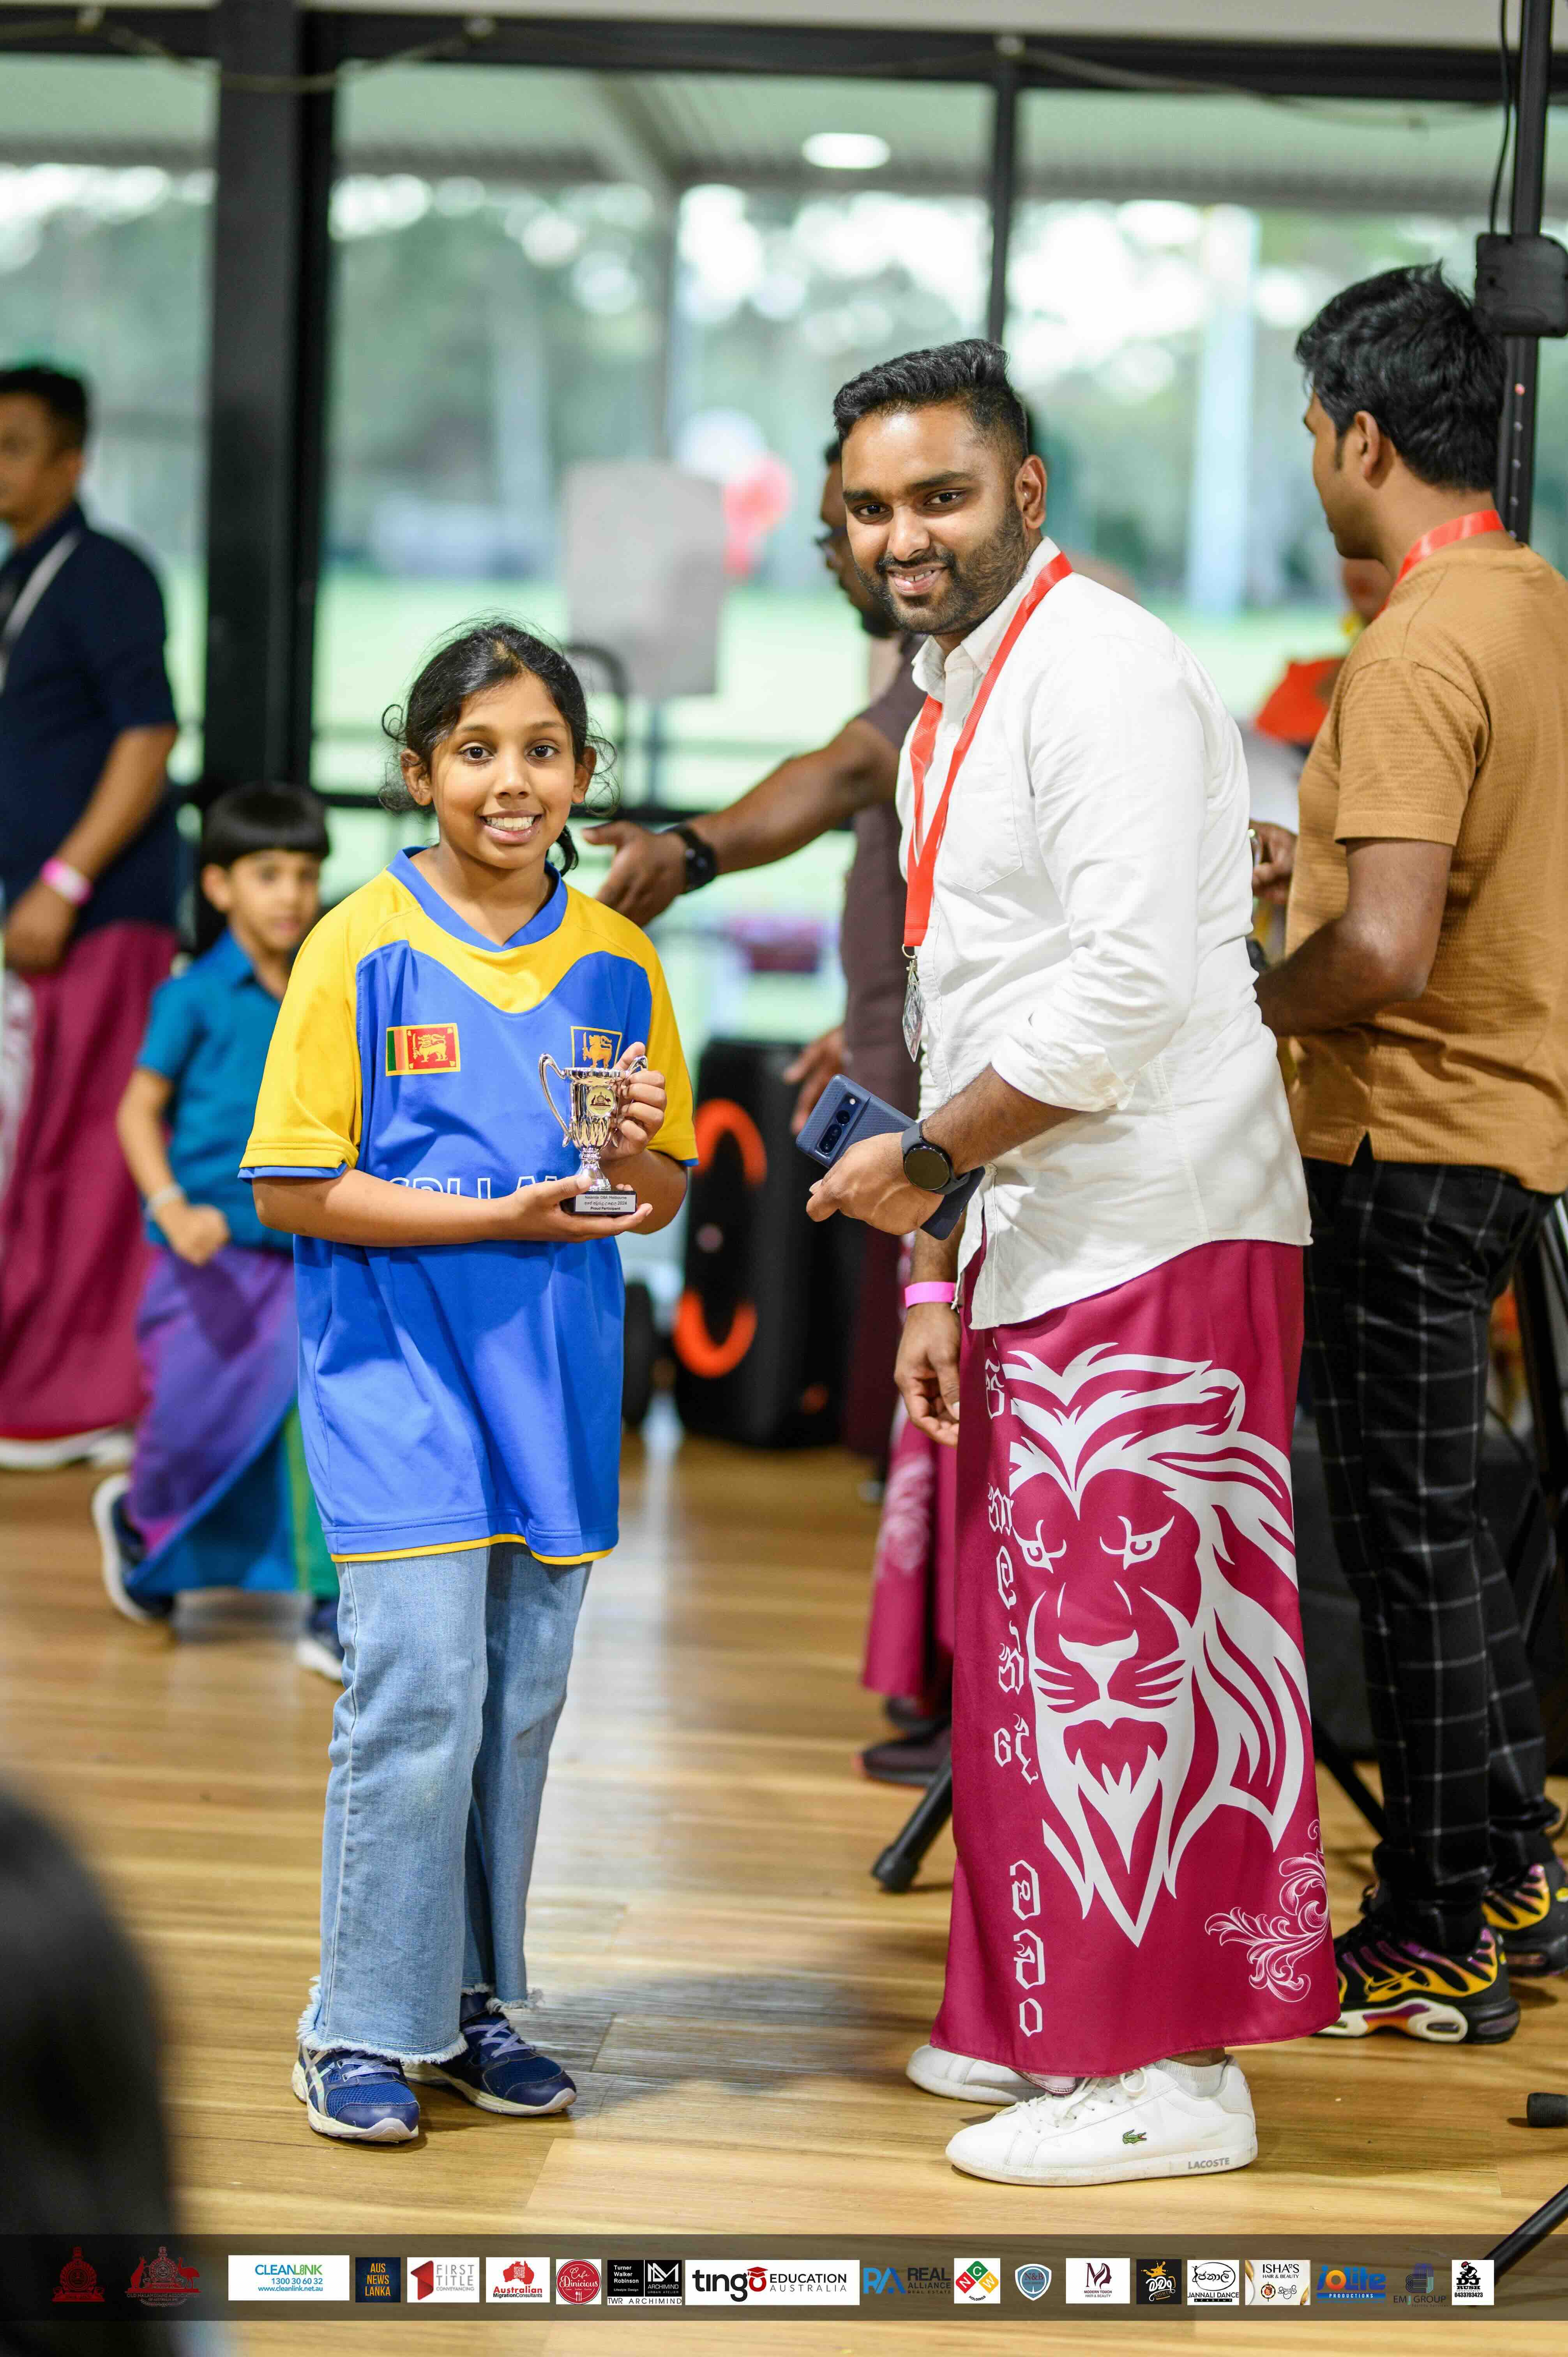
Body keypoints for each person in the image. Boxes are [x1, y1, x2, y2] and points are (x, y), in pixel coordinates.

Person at [808, 339, 1333, 2186]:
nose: (906, 535)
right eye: (873, 507)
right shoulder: (955, 686)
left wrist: (932, 1162)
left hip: (1158, 1220)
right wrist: (944, 1267)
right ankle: (1041, 2011)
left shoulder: (1096, 668)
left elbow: (1130, 989)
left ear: (1025, 493)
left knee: (1133, 1659)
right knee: (1024, 1658)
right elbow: (979, 993)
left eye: (940, 495)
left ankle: (1174, 2073)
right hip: (1048, 1228)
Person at [242, 622, 694, 2143]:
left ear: (582, 776)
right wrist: (491, 1217)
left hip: (552, 1388)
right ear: (420, 769)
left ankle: (472, 2005)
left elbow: (661, 1187)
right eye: (479, 750)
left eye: (544, 750)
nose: (513, 780)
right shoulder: (356, 941)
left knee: (516, 1708)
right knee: (420, 1685)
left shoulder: (620, 962)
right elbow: (294, 1189)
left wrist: (629, 1152)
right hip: (394, 1381)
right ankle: (358, 2023)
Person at [1255, 264, 1568, 2039]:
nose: (1310, 457)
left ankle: (1442, 1913)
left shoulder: (1411, 644)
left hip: (1399, 1128)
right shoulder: (1529, 605)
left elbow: (1374, 951)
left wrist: (1233, 1007)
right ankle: (1509, 1857)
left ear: (1361, 435)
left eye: (1310, 427)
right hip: (1504, 1126)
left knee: (1404, 1533)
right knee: (1441, 1521)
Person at [92, 783, 342, 1679]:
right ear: (220, 886)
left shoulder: (329, 993)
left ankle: (328, 1607)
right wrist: (170, 1208)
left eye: (306, 874)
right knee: (191, 1427)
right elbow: (134, 1113)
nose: (290, 895)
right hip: (207, 1254)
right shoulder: (194, 996)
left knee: (314, 1428)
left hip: (306, 1248)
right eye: (268, 874)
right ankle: (141, 1524)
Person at [0, 365, 181, 1467]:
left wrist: (65, 883)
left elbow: (149, 737)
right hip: (32, 917)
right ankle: (40, 1372)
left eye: (17, 444)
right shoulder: (21, 575)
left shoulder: (107, 574)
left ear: (73, 461)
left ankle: (91, 1397)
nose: (0, 466)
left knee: (89, 1151)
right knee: (34, 1146)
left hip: (100, 917)